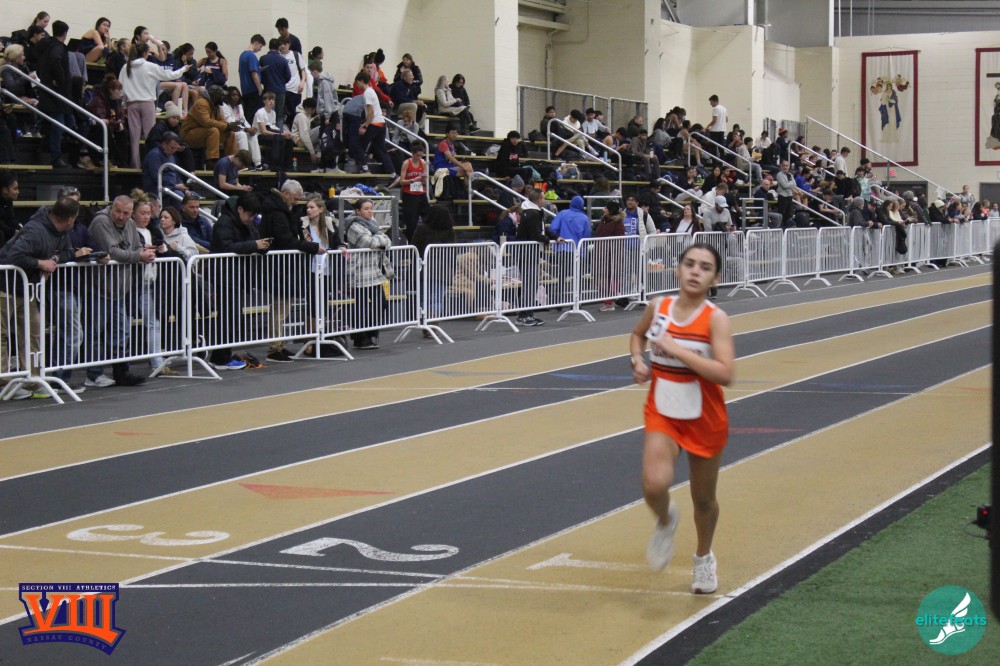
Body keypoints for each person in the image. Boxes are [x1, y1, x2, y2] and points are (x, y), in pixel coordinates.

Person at [630, 242, 734, 594]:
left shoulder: (716, 319)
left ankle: (704, 557)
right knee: (653, 484)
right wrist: (638, 360)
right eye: (689, 264)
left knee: (703, 499)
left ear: (715, 278)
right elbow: (637, 335)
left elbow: (725, 373)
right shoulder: (658, 307)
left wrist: (677, 350)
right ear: (677, 270)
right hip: (663, 408)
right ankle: (665, 519)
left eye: (705, 267)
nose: (695, 271)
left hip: (704, 414)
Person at [0, 196, 82, 399]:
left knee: (33, 334)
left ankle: (32, 381)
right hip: (5, 286)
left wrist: (54, 258)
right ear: (70, 218)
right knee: (1, 334)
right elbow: (14, 256)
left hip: (28, 289)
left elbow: (68, 253)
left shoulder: (63, 232)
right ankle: (3, 383)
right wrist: (40, 263)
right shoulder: (35, 230)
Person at [88, 195, 158, 387]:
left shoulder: (130, 224)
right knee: (96, 332)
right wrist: (138, 256)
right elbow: (112, 252)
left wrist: (143, 252)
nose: (121, 216)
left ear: (131, 213)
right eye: (118, 211)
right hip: (98, 288)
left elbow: (136, 247)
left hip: (120, 287)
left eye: (126, 213)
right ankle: (94, 374)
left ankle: (121, 372)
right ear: (112, 207)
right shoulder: (101, 222)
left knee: (122, 331)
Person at [259, 179, 322, 363]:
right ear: (286, 194)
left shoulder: (278, 210)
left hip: (282, 265)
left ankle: (278, 345)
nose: (296, 202)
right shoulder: (277, 213)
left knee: (282, 308)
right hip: (281, 266)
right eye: (295, 198)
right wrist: (311, 247)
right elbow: (285, 239)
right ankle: (274, 348)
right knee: (280, 309)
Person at [207, 191, 267, 370]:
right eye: (249, 215)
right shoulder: (224, 223)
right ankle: (221, 358)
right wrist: (254, 245)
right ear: (239, 209)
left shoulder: (245, 223)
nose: (251, 219)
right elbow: (226, 247)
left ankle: (222, 356)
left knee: (232, 318)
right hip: (224, 275)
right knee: (227, 318)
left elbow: (252, 240)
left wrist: (261, 246)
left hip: (235, 275)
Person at [121, 42, 191, 168]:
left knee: (134, 138)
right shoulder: (150, 66)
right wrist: (183, 69)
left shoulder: (126, 67)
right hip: (147, 103)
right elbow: (169, 75)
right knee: (151, 137)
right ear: (145, 53)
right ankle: (151, 164)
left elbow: (122, 87)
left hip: (131, 104)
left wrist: (124, 105)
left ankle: (135, 165)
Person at [342, 198, 393, 350]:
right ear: (357, 211)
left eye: (371, 208)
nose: (370, 211)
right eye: (366, 208)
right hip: (360, 272)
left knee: (381, 303)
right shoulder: (353, 226)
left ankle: (370, 333)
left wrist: (379, 240)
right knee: (362, 306)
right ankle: (360, 338)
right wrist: (380, 239)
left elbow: (388, 242)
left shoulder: (373, 224)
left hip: (374, 271)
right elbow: (369, 243)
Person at [34, 20, 75, 168]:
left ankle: (49, 148)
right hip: (57, 93)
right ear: (65, 33)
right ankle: (55, 156)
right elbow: (54, 59)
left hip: (49, 90)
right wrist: (60, 79)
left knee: (68, 123)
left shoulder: (45, 45)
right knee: (60, 125)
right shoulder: (57, 47)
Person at [180, 85, 238, 170]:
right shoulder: (201, 103)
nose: (223, 98)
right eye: (221, 96)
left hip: (203, 132)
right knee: (213, 131)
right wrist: (227, 126)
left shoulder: (216, 106)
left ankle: (232, 162)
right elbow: (206, 122)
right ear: (215, 96)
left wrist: (230, 126)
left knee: (230, 133)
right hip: (188, 133)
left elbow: (221, 121)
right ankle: (212, 162)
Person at [355, 70, 395, 176]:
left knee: (359, 145)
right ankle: (392, 173)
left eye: (357, 83)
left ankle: (364, 168)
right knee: (380, 148)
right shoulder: (372, 90)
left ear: (361, 81)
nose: (357, 85)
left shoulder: (367, 93)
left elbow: (371, 112)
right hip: (381, 122)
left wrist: (365, 126)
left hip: (375, 123)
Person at [594, 200, 626, 312]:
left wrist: (610, 252)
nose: (604, 210)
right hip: (601, 254)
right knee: (601, 278)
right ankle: (607, 301)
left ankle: (609, 302)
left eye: (606, 208)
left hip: (612, 256)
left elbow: (618, 241)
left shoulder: (618, 224)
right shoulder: (603, 221)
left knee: (611, 278)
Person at [222, 87, 262, 170]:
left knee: (253, 135)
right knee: (242, 135)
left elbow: (243, 120)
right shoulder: (224, 106)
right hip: (230, 130)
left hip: (241, 129)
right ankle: (244, 163)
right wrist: (246, 129)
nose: (236, 97)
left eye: (237, 95)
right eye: (233, 95)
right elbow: (231, 123)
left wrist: (250, 128)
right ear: (228, 96)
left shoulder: (239, 106)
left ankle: (257, 164)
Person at [142, 131, 189, 199]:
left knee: (192, 195)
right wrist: (175, 186)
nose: (174, 151)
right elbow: (157, 177)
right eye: (172, 148)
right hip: (156, 188)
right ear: (164, 144)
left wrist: (182, 186)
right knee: (179, 195)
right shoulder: (154, 155)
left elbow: (175, 174)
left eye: (176, 149)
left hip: (171, 187)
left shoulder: (171, 156)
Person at [399, 145, 429, 242]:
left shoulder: (423, 163)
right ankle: (411, 241)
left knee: (428, 216)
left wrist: (423, 179)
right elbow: (402, 181)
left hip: (420, 193)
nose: (419, 158)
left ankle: (427, 238)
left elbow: (424, 180)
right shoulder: (406, 163)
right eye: (417, 156)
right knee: (411, 221)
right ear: (412, 154)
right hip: (409, 194)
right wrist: (413, 180)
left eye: (421, 156)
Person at [238, 35, 266, 119]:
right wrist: (259, 89)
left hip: (245, 90)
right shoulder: (251, 56)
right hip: (253, 90)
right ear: (256, 43)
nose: (260, 49)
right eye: (260, 46)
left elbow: (241, 71)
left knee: (248, 113)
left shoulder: (242, 55)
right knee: (255, 115)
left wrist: (258, 69)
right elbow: (254, 74)